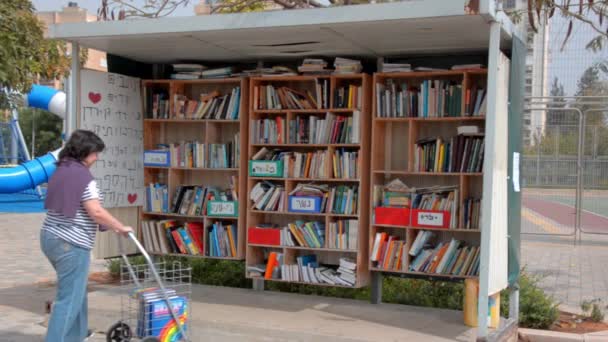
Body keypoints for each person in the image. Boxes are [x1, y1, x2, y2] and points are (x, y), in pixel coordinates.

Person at [40, 129, 133, 342]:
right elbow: (96, 211)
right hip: (70, 244)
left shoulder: (62, 170)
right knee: (69, 299)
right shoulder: (83, 177)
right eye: (95, 153)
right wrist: (120, 227)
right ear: (85, 152)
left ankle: (77, 335)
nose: (97, 158)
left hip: (50, 237)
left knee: (76, 291)